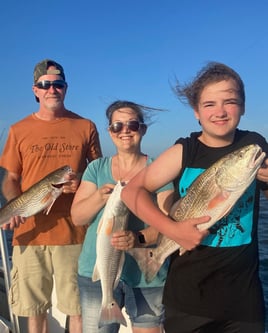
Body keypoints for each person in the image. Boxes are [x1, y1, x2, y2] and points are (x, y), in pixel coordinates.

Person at [121, 62, 268, 333]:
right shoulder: (184, 151)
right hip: (188, 299)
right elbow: (132, 192)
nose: (220, 111)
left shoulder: (254, 145)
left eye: (231, 101)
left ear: (244, 106)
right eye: (210, 104)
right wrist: (173, 230)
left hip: (244, 301)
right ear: (196, 112)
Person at [0, 59, 102, 333]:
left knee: (76, 308)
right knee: (35, 312)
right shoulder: (18, 130)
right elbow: (10, 179)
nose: (52, 90)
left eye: (58, 84)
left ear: (65, 89)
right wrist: (14, 208)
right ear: (35, 90)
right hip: (29, 233)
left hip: (75, 232)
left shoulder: (86, 126)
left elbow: (97, 172)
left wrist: (81, 181)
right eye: (45, 85)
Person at [70, 100, 175, 333]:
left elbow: (170, 223)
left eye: (133, 125)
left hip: (148, 273)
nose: (125, 131)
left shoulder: (159, 168)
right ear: (110, 131)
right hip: (96, 271)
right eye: (117, 126)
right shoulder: (96, 168)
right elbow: (77, 217)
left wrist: (138, 237)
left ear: (143, 130)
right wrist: (99, 197)